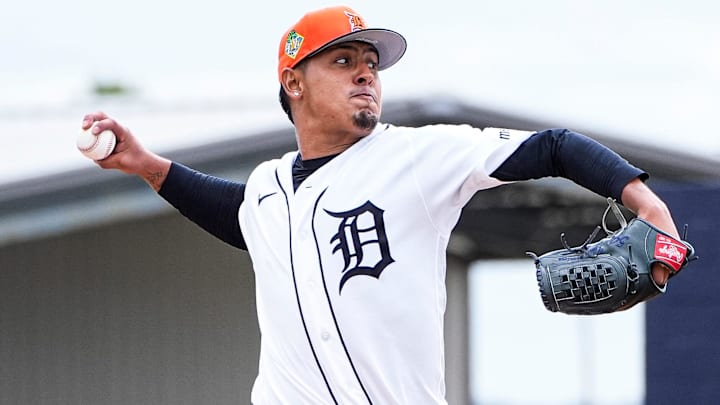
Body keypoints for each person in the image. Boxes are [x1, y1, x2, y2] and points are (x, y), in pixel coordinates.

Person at [81, 5, 681, 404]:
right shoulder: (268, 188)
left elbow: (552, 147)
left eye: (371, 65)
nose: (365, 75)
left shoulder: (418, 157)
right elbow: (243, 217)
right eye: (343, 62)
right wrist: (147, 165)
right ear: (294, 82)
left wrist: (648, 206)